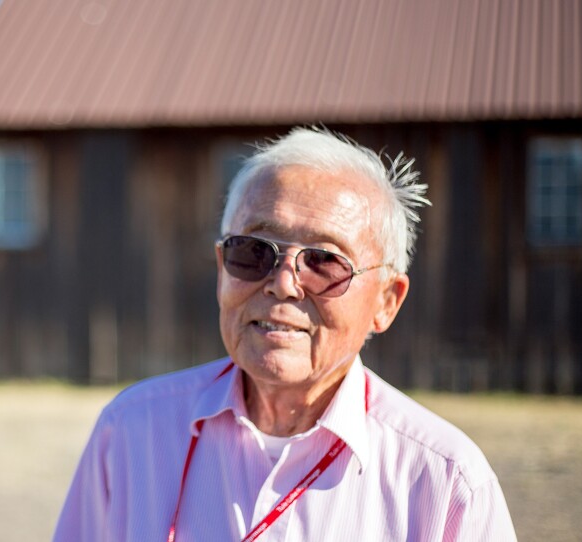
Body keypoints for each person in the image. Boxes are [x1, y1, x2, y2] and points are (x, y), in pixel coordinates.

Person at [53, 127, 516, 541]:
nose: (283, 281)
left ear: (386, 301)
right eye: (254, 251)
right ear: (222, 269)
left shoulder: (445, 483)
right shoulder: (132, 432)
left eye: (325, 261)